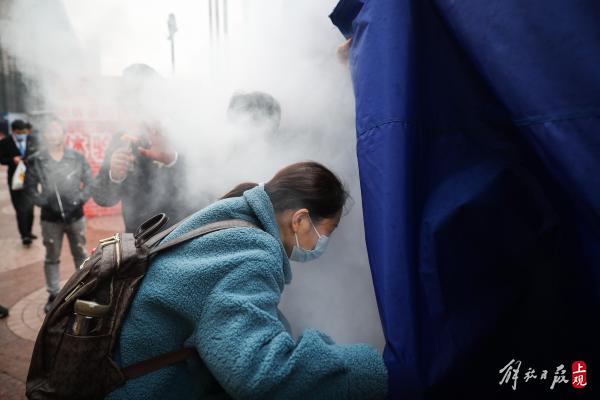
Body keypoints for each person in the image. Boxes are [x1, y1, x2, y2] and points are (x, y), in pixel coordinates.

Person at [107, 161, 387, 400]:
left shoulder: (231, 219)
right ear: (300, 219)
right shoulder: (252, 251)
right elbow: (259, 374)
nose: (324, 242)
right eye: (327, 231)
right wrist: (370, 367)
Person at [24, 117, 93, 313]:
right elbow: (29, 188)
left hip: (76, 216)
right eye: (49, 131)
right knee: (51, 256)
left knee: (81, 254)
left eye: (57, 130)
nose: (53, 134)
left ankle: (83, 290)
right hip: (50, 219)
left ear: (64, 133)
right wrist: (45, 202)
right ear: (45, 135)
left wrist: (78, 200)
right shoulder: (37, 160)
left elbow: (89, 182)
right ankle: (54, 294)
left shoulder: (77, 157)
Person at [91, 121, 188, 233]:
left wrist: (172, 160)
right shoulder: (121, 139)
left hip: (180, 234)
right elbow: (102, 199)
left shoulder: (182, 133)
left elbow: (203, 189)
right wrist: (115, 176)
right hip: (139, 237)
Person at [0, 119, 39, 245]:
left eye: (24, 131)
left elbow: (38, 154)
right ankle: (24, 235)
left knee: (31, 209)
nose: (22, 134)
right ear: (13, 131)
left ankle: (29, 231)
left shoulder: (32, 139)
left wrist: (29, 159)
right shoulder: (5, 142)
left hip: (30, 179)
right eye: (19, 132)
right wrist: (12, 160)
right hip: (15, 180)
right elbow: (2, 159)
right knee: (21, 209)